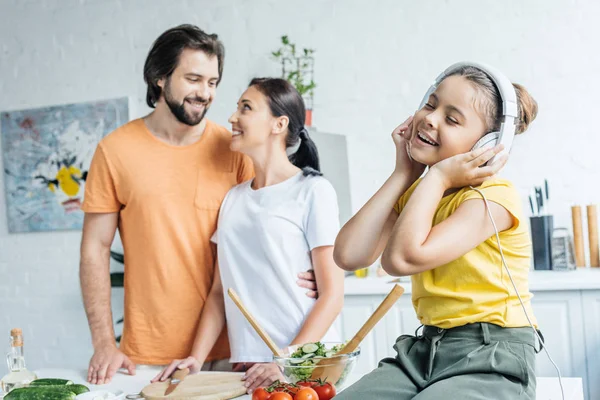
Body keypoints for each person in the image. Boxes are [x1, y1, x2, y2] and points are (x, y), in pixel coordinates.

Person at [79, 25, 318, 385]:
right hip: (147, 357)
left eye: (212, 82)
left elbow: (276, 220)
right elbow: (94, 250)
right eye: (193, 79)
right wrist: (102, 342)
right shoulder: (114, 152)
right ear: (159, 77)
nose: (205, 93)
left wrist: (312, 269)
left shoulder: (234, 148)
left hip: (236, 352)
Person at [333, 63, 540, 399]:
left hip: (492, 355)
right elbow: (348, 254)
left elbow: (402, 258)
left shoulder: (493, 197)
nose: (430, 118)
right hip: (425, 351)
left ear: (486, 144)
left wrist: (438, 176)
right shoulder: (420, 195)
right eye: (431, 104)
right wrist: (404, 173)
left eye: (452, 118)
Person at [152, 78, 345, 393]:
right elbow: (220, 292)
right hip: (251, 365)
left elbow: (332, 295)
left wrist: (286, 361)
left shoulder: (313, 191)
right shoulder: (233, 199)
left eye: (246, 108)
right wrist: (195, 360)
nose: (232, 117)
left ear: (278, 124)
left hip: (306, 364)